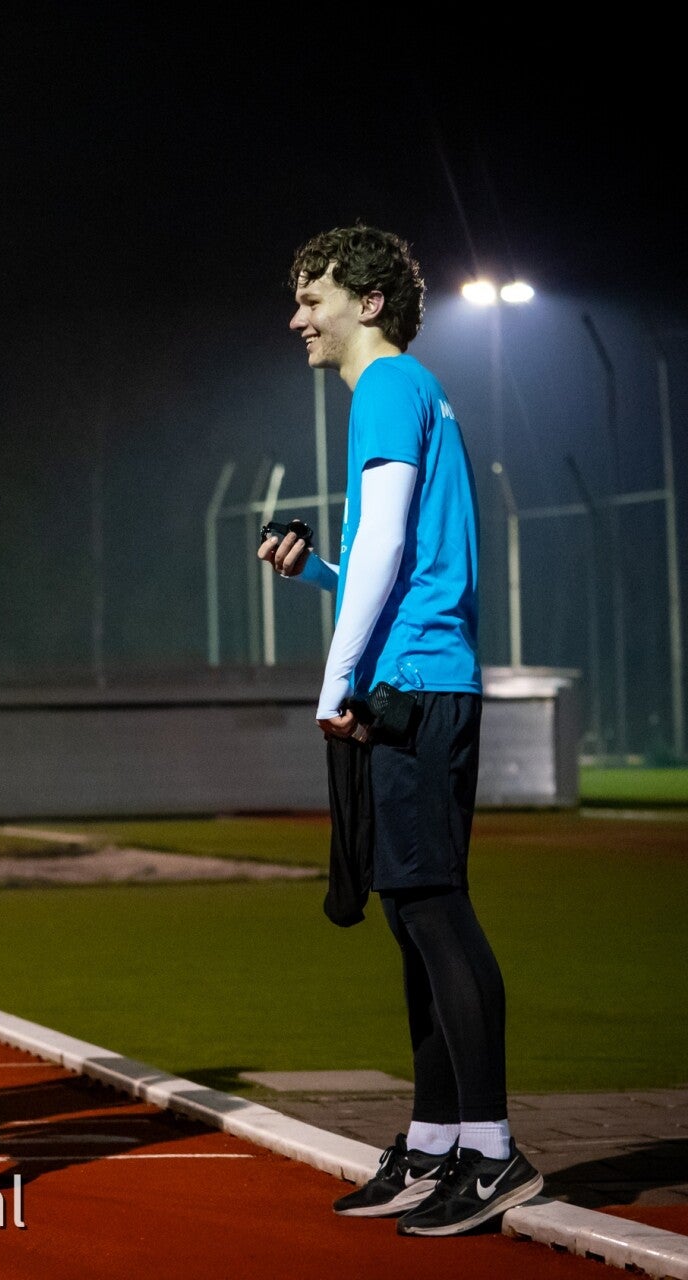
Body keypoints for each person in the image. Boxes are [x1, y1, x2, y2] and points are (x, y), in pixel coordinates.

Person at [263, 225, 541, 1236]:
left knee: (433, 910)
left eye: (314, 297)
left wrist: (336, 676)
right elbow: (394, 560)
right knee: (412, 916)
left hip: (410, 685)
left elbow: (386, 541)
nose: (298, 317)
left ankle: (494, 1152)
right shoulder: (411, 390)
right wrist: (318, 576)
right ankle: (434, 1141)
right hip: (418, 678)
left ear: (368, 302)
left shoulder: (385, 386)